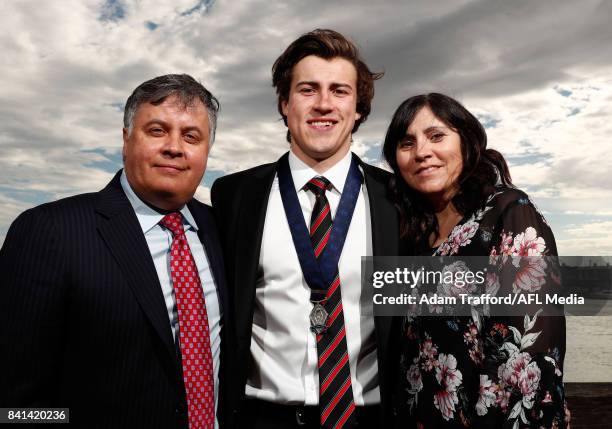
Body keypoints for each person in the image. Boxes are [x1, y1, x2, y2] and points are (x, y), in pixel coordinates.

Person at [0, 74, 228, 429]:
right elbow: (13, 405)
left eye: (191, 136)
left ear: (206, 152)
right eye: (157, 130)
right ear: (125, 140)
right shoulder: (49, 232)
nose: (174, 147)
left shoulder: (222, 231)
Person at [211, 29, 399, 429]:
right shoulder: (234, 196)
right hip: (262, 417)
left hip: (369, 418)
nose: (324, 104)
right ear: (285, 102)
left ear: (359, 109)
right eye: (308, 90)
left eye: (340, 91)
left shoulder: (396, 200)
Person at [382, 93, 567, 428]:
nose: (422, 152)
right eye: (407, 142)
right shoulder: (414, 235)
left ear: (467, 142)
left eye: (436, 136)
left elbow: (531, 355)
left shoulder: (508, 213)